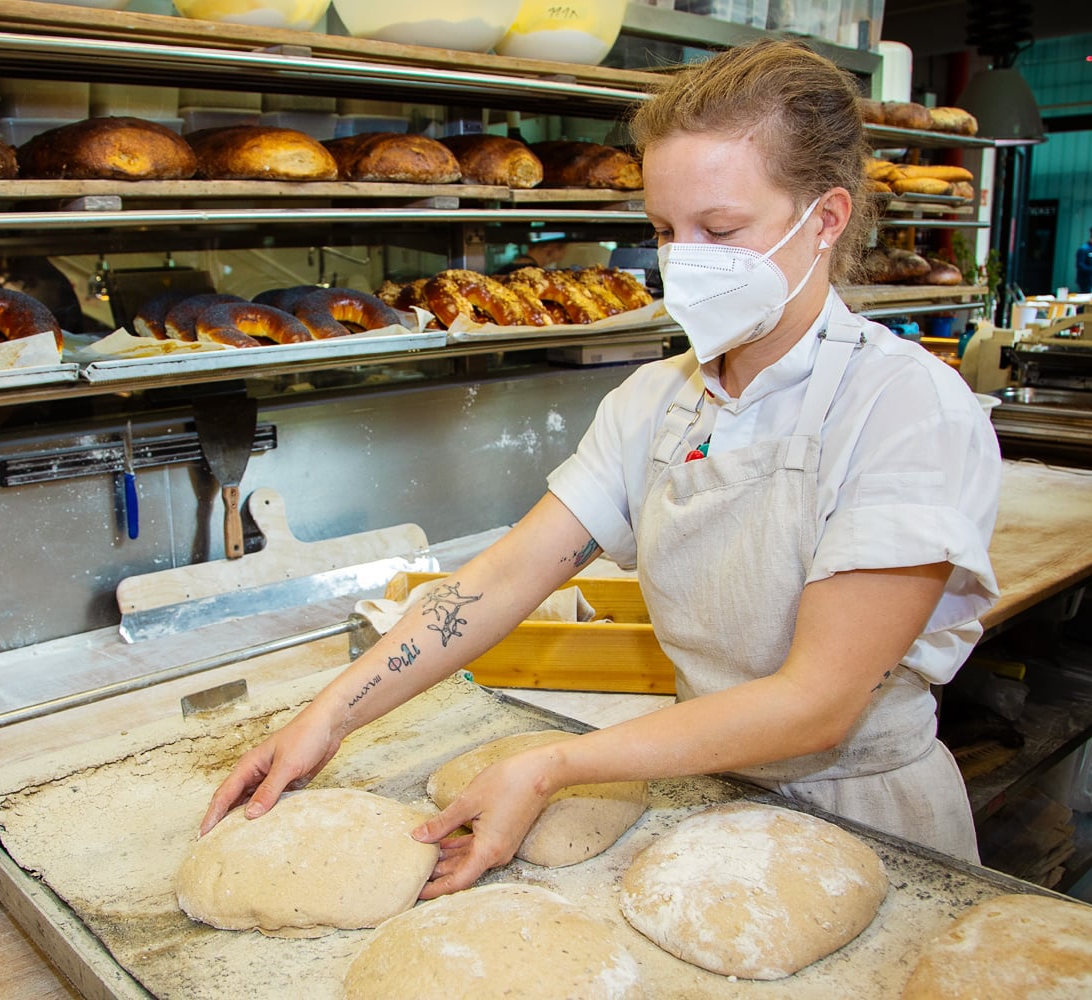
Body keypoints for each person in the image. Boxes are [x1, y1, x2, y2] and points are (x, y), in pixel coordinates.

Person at [199, 40, 1003, 894]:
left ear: (828, 219)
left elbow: (818, 703)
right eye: (663, 230)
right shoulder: (659, 400)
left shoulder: (903, 406)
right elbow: (506, 578)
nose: (683, 259)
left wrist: (553, 765)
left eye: (721, 231)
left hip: (872, 821)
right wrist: (331, 715)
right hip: (709, 793)